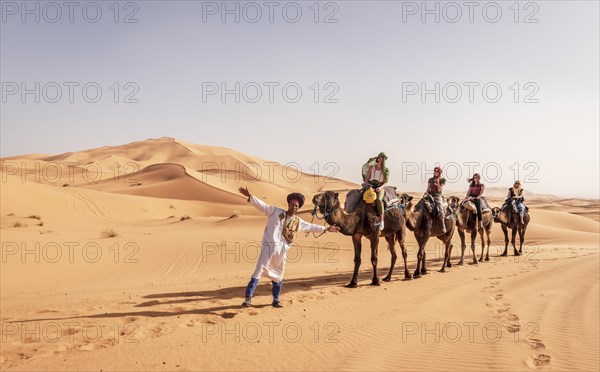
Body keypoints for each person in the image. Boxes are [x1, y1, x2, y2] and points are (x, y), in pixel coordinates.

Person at [238, 187, 340, 308]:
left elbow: (311, 226)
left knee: (279, 275)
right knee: (258, 271)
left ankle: (275, 300)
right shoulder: (275, 212)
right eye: (292, 204)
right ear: (289, 204)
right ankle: (248, 298)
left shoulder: (298, 222)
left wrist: (326, 228)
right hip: (268, 248)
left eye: (297, 206)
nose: (294, 207)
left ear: (298, 208)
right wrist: (250, 196)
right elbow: (263, 206)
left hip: (282, 252)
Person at [362, 152, 389, 230]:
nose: (380, 159)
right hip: (370, 185)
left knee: (379, 200)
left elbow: (386, 182)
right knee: (361, 196)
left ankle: (381, 221)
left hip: (380, 186)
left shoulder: (386, 170)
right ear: (377, 158)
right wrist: (365, 184)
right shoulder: (371, 167)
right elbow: (367, 178)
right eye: (380, 157)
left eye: (382, 158)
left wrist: (380, 188)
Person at [425, 166, 447, 233]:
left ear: (439, 172)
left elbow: (440, 189)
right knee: (421, 204)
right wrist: (426, 192)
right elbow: (428, 189)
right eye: (435, 171)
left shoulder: (442, 180)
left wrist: (437, 185)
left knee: (440, 207)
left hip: (438, 196)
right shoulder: (430, 179)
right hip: (430, 196)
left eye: (437, 171)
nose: (435, 172)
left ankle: (443, 226)